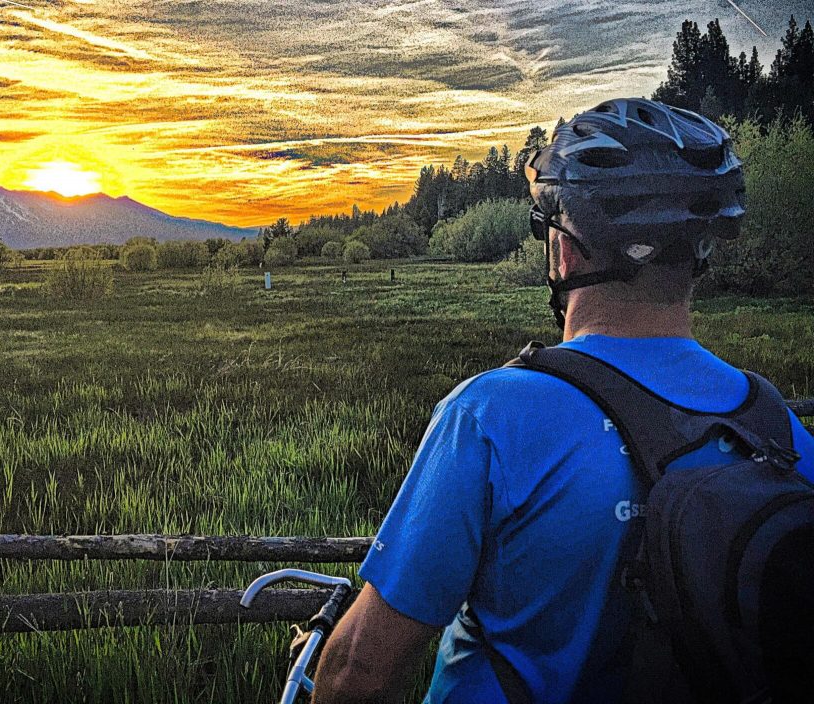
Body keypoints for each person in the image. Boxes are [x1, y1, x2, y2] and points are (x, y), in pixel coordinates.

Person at [311, 97, 814, 704]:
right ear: (700, 252)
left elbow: (360, 668)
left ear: (565, 250)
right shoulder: (780, 429)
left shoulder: (492, 415)